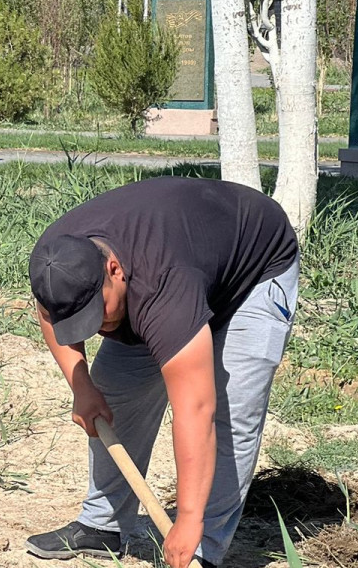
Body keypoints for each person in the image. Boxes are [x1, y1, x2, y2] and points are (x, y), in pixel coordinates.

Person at [24, 177, 300, 568]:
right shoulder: (55, 262)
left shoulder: (163, 285)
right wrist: (80, 384)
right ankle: (102, 525)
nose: (97, 327)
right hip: (183, 262)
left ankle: (201, 549)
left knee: (232, 411)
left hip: (254, 269)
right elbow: (50, 314)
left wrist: (188, 518)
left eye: (98, 313)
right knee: (115, 392)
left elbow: (196, 409)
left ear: (114, 270)